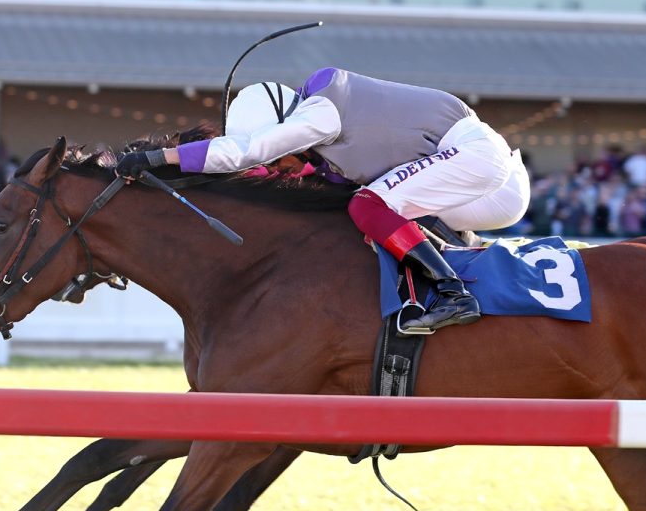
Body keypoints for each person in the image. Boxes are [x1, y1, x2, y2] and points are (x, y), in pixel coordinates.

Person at [116, 67, 530, 331]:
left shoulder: (321, 112)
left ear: (285, 127)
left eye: (279, 158)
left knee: (368, 205)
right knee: (369, 208)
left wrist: (157, 158)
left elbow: (247, 153)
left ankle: (454, 293)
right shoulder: (327, 142)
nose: (279, 168)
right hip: (484, 181)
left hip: (486, 169)